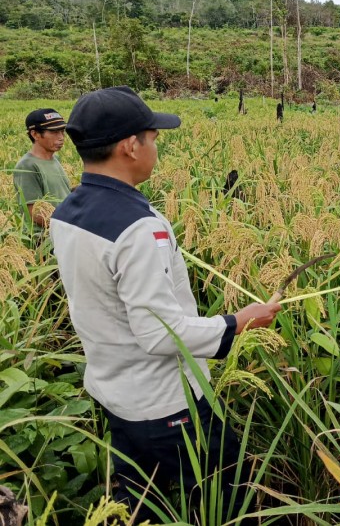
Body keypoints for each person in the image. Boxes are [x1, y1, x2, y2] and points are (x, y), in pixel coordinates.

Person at [49, 86, 282, 520]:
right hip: (166, 404)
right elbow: (159, 332)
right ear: (129, 146)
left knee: (139, 499)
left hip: (114, 392)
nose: (156, 148)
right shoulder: (138, 227)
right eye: (153, 138)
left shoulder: (67, 211)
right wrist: (238, 323)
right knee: (224, 488)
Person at [13, 108, 71, 229]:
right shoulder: (27, 166)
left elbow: (59, 194)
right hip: (44, 241)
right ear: (35, 134)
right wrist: (70, 229)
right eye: (54, 132)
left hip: (63, 234)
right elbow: (35, 212)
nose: (61, 137)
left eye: (62, 131)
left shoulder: (55, 159)